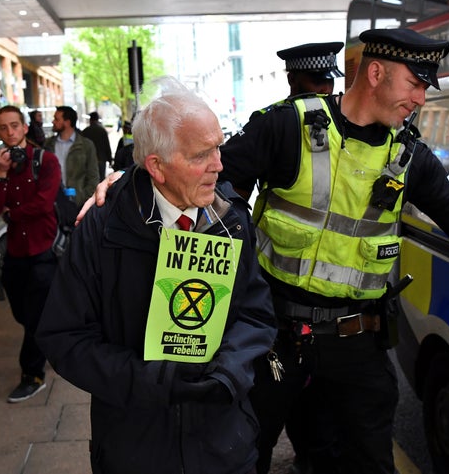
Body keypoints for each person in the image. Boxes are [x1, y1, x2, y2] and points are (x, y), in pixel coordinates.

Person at [84, 29, 449, 474]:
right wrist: (129, 184)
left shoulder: (411, 158)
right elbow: (200, 175)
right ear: (376, 73)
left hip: (358, 346)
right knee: (240, 454)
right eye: (416, 83)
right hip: (275, 339)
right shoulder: (286, 127)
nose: (421, 97)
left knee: (366, 462)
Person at [36, 77, 277, 474]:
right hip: (136, 449)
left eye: (218, 146)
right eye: (202, 155)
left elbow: (256, 313)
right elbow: (64, 338)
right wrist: (149, 380)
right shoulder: (102, 229)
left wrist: (231, 371)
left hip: (224, 447)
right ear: (157, 167)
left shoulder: (230, 221)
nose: (219, 164)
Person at [254, 40, 346, 474]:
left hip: (279, 307)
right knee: (319, 428)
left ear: (291, 78)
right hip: (330, 320)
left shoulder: (274, 122)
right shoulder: (348, 127)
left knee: (262, 425)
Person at [0, 105, 61, 403]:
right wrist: (1, 174)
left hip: (44, 248)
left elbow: (43, 204)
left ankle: (33, 375)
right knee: (22, 314)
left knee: (36, 317)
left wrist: (11, 213)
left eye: (15, 125)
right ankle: (52, 344)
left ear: (25, 128)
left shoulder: (45, 160)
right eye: (3, 128)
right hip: (15, 251)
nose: (9, 132)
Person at [44, 105, 99, 208]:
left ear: (67, 122)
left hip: (77, 204)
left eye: (56, 119)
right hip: (53, 203)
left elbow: (93, 176)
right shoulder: (48, 145)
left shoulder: (86, 145)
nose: (53, 122)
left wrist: (82, 198)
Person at [276, 41, 344, 97]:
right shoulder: (277, 113)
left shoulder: (339, 111)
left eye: (331, 80)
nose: (327, 90)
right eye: (318, 81)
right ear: (292, 80)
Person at [81, 111, 113, 180]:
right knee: (101, 179)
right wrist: (110, 159)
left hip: (88, 160)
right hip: (101, 159)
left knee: (90, 180)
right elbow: (107, 145)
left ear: (90, 120)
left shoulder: (85, 131)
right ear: (97, 119)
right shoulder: (102, 131)